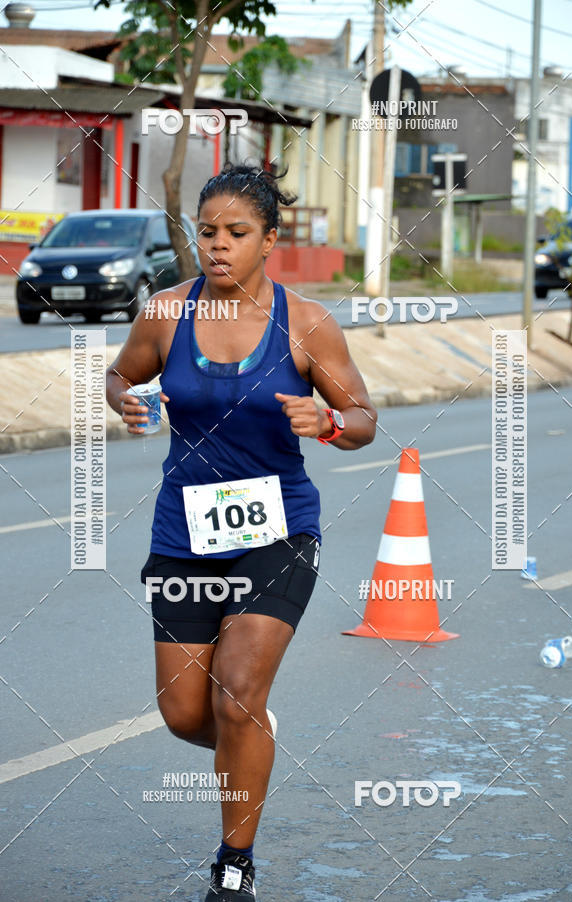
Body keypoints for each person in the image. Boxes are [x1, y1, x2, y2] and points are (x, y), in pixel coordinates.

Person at [105, 163, 377, 900]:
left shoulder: (306, 323)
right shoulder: (165, 314)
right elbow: (119, 376)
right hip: (184, 534)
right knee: (184, 713)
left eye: (236, 233)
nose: (217, 246)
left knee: (234, 696)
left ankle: (235, 864)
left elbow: (363, 420)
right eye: (207, 232)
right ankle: (251, 730)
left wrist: (328, 422)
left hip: (278, 532)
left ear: (269, 240)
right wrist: (123, 403)